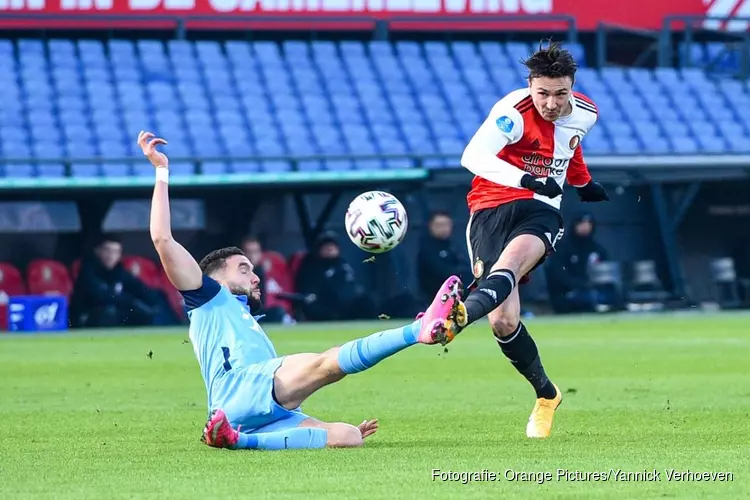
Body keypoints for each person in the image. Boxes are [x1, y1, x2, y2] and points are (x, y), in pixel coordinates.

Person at [139, 130, 463, 450]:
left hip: (256, 409)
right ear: (215, 277)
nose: (255, 277)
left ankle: (237, 438)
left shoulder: (240, 313)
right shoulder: (207, 297)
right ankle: (417, 330)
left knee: (348, 436)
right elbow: (162, 240)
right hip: (240, 389)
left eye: (252, 269)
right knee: (328, 363)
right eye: (243, 268)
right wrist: (161, 170)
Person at [449, 41, 610, 438]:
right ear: (530, 86)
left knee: (510, 265)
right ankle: (547, 393)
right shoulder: (512, 113)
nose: (552, 103)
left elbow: (569, 147)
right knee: (503, 320)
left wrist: (582, 182)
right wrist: (521, 178)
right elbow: (473, 156)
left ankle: (459, 316)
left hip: (541, 208)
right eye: (543, 93)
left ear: (572, 87)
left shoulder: (586, 113)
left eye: (561, 93)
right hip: (490, 209)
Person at [70, 235, 171, 328]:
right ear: (97, 251)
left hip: (117, 315)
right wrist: (133, 303)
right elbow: (102, 296)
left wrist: (155, 300)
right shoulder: (88, 271)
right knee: (110, 312)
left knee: (157, 298)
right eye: (107, 251)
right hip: (87, 318)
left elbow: (139, 288)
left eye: (116, 252)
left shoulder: (119, 271)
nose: (111, 256)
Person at [545, 212, 620, 313]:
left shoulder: (597, 249)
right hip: (569, 292)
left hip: (593, 289)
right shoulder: (563, 248)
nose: (585, 227)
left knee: (612, 297)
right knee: (586, 298)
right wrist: (579, 285)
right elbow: (557, 274)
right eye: (582, 223)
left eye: (588, 224)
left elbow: (606, 273)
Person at [417, 211, 471, 306]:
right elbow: (440, 271)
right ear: (431, 226)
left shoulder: (454, 246)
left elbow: (466, 267)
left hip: (458, 294)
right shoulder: (427, 248)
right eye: (439, 225)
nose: (443, 228)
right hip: (434, 297)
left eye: (446, 224)